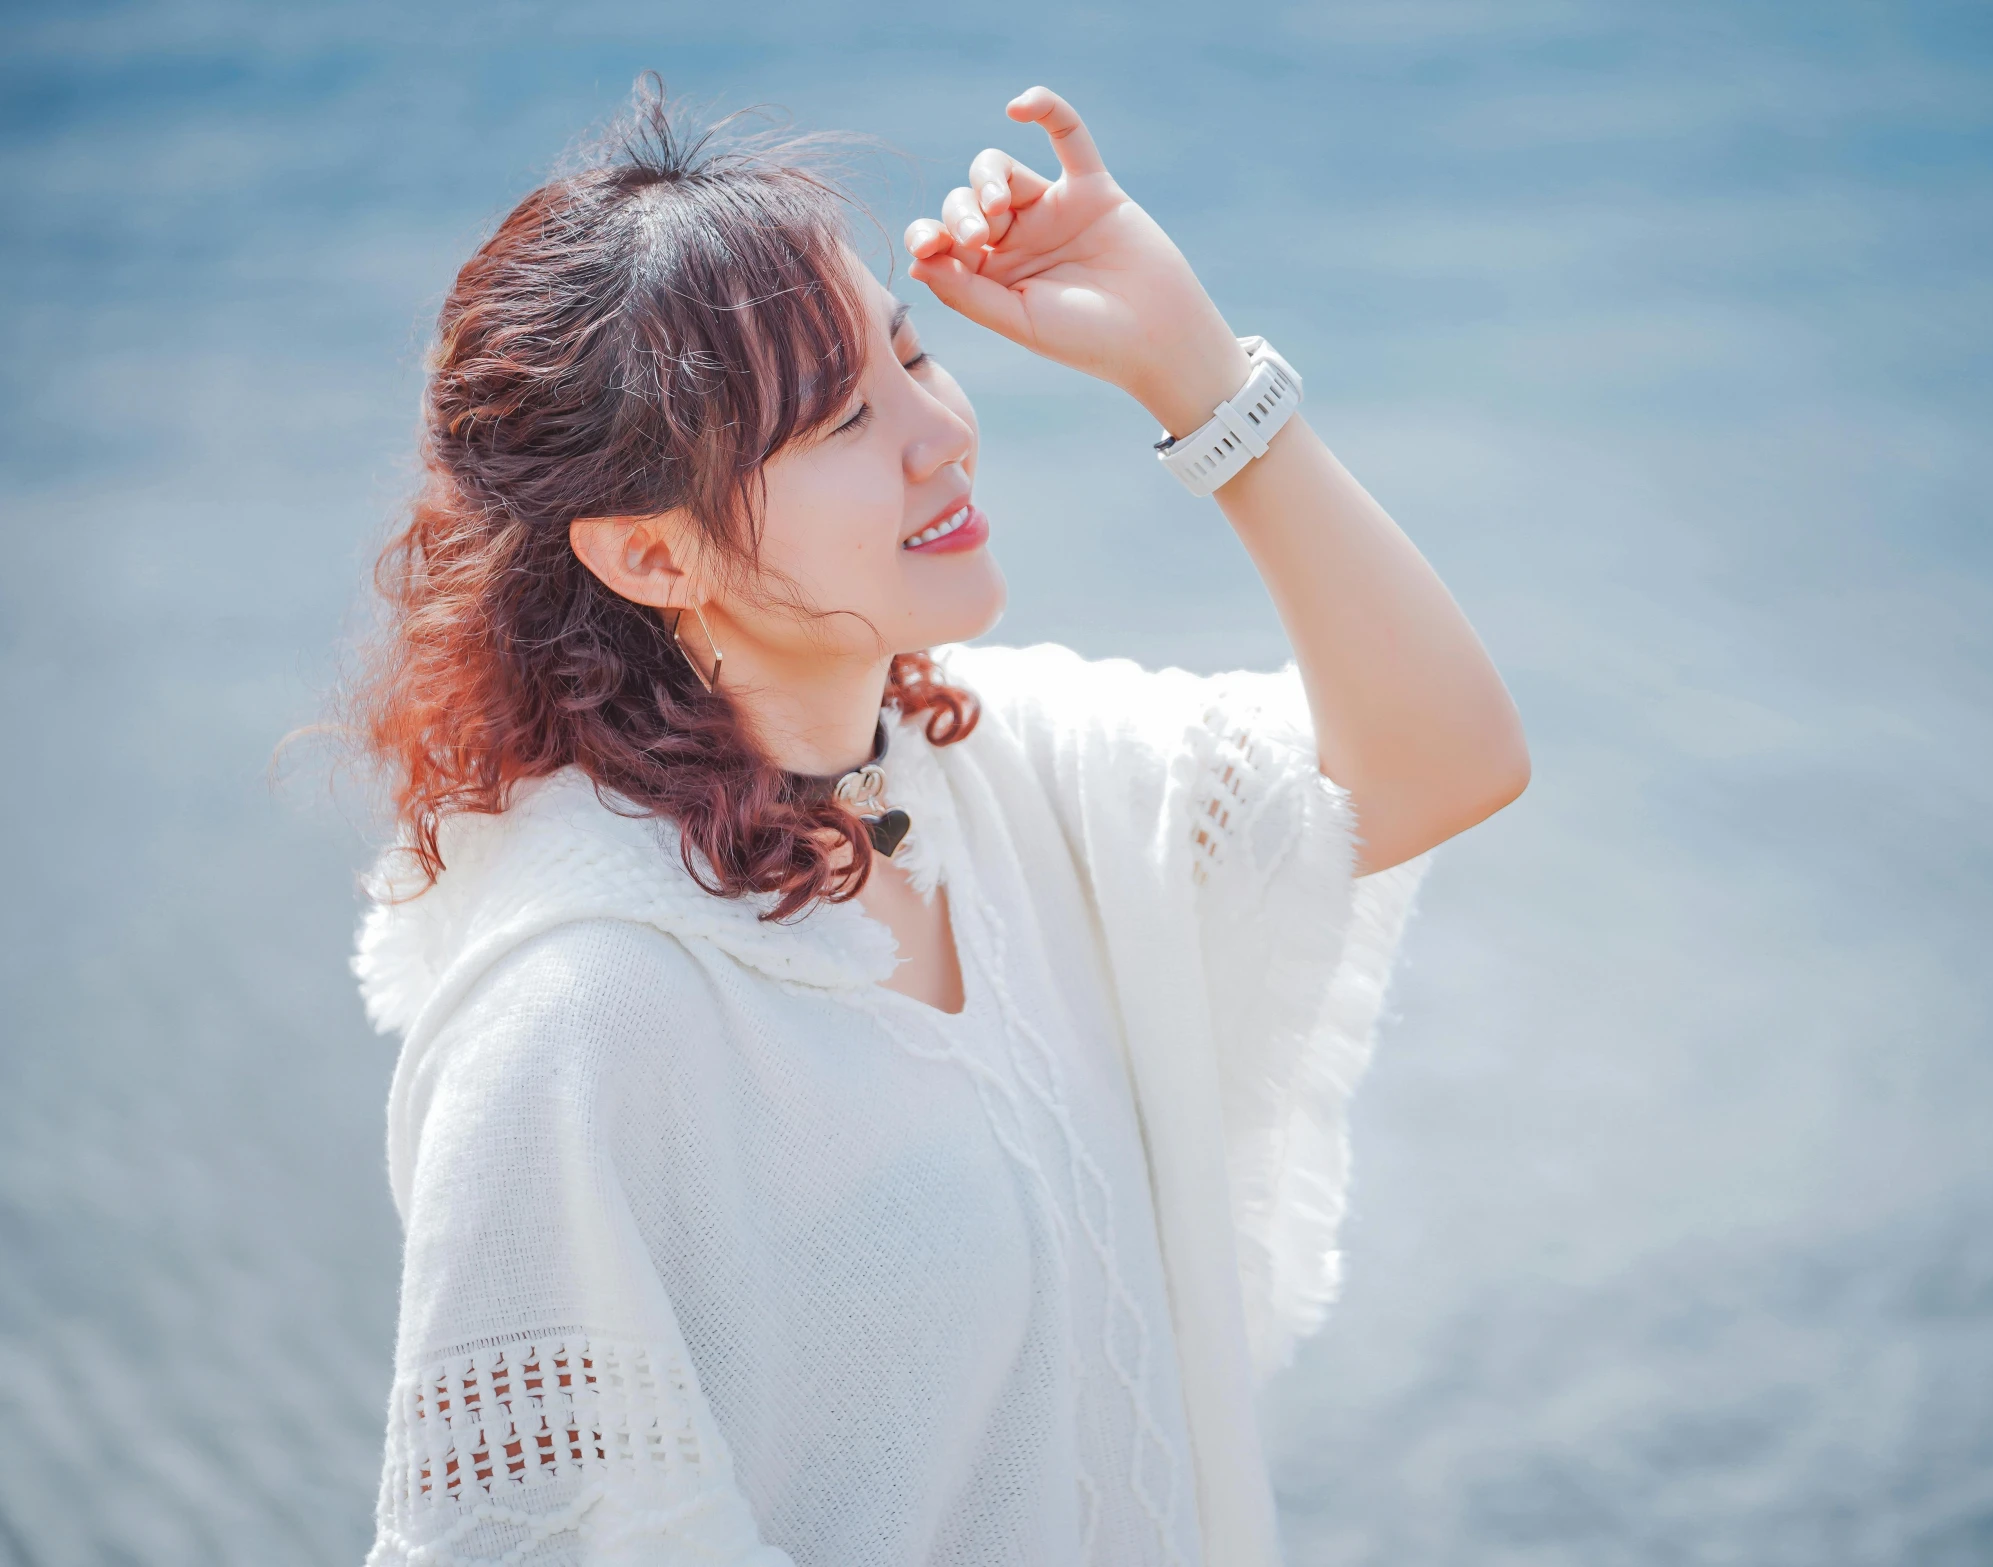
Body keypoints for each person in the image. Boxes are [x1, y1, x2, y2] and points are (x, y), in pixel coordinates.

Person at [350, 76, 1527, 1567]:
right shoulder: (581, 1008)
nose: (938, 436)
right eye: (842, 419)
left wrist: (1195, 373)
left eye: (911, 356)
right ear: (652, 550)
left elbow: (1443, 760)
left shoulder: (987, 769)